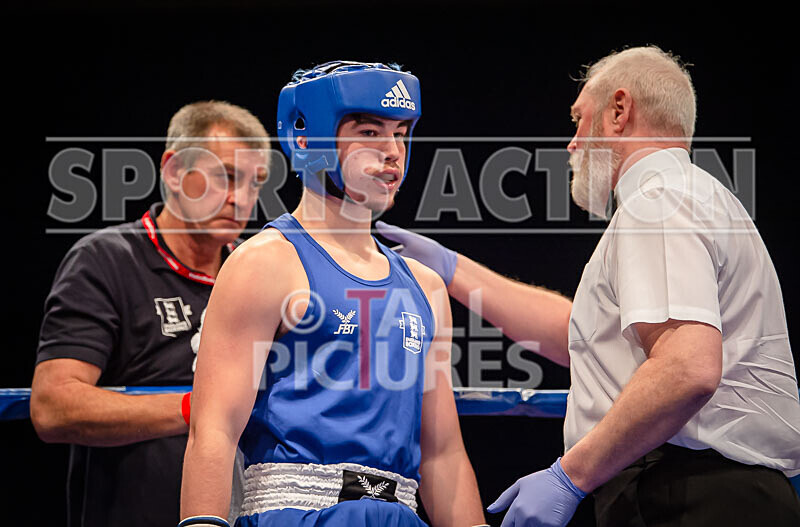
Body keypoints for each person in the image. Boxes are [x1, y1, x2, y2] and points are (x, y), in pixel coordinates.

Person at [381, 46, 800, 526]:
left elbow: (687, 368)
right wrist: (453, 269)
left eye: (579, 120)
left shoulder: (658, 202)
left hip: (692, 494)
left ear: (619, 111)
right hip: (707, 491)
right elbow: (581, 340)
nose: (572, 144)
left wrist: (569, 476)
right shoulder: (692, 196)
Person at [179, 61, 486, 527]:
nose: (392, 153)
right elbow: (214, 430)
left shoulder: (425, 287)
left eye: (401, 133)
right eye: (369, 132)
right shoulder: (264, 263)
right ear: (306, 138)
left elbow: (442, 455)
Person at [31, 101, 270, 527]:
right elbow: (53, 405)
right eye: (226, 176)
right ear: (175, 171)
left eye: (256, 183)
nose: (241, 198)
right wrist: (198, 409)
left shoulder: (260, 276)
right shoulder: (105, 260)